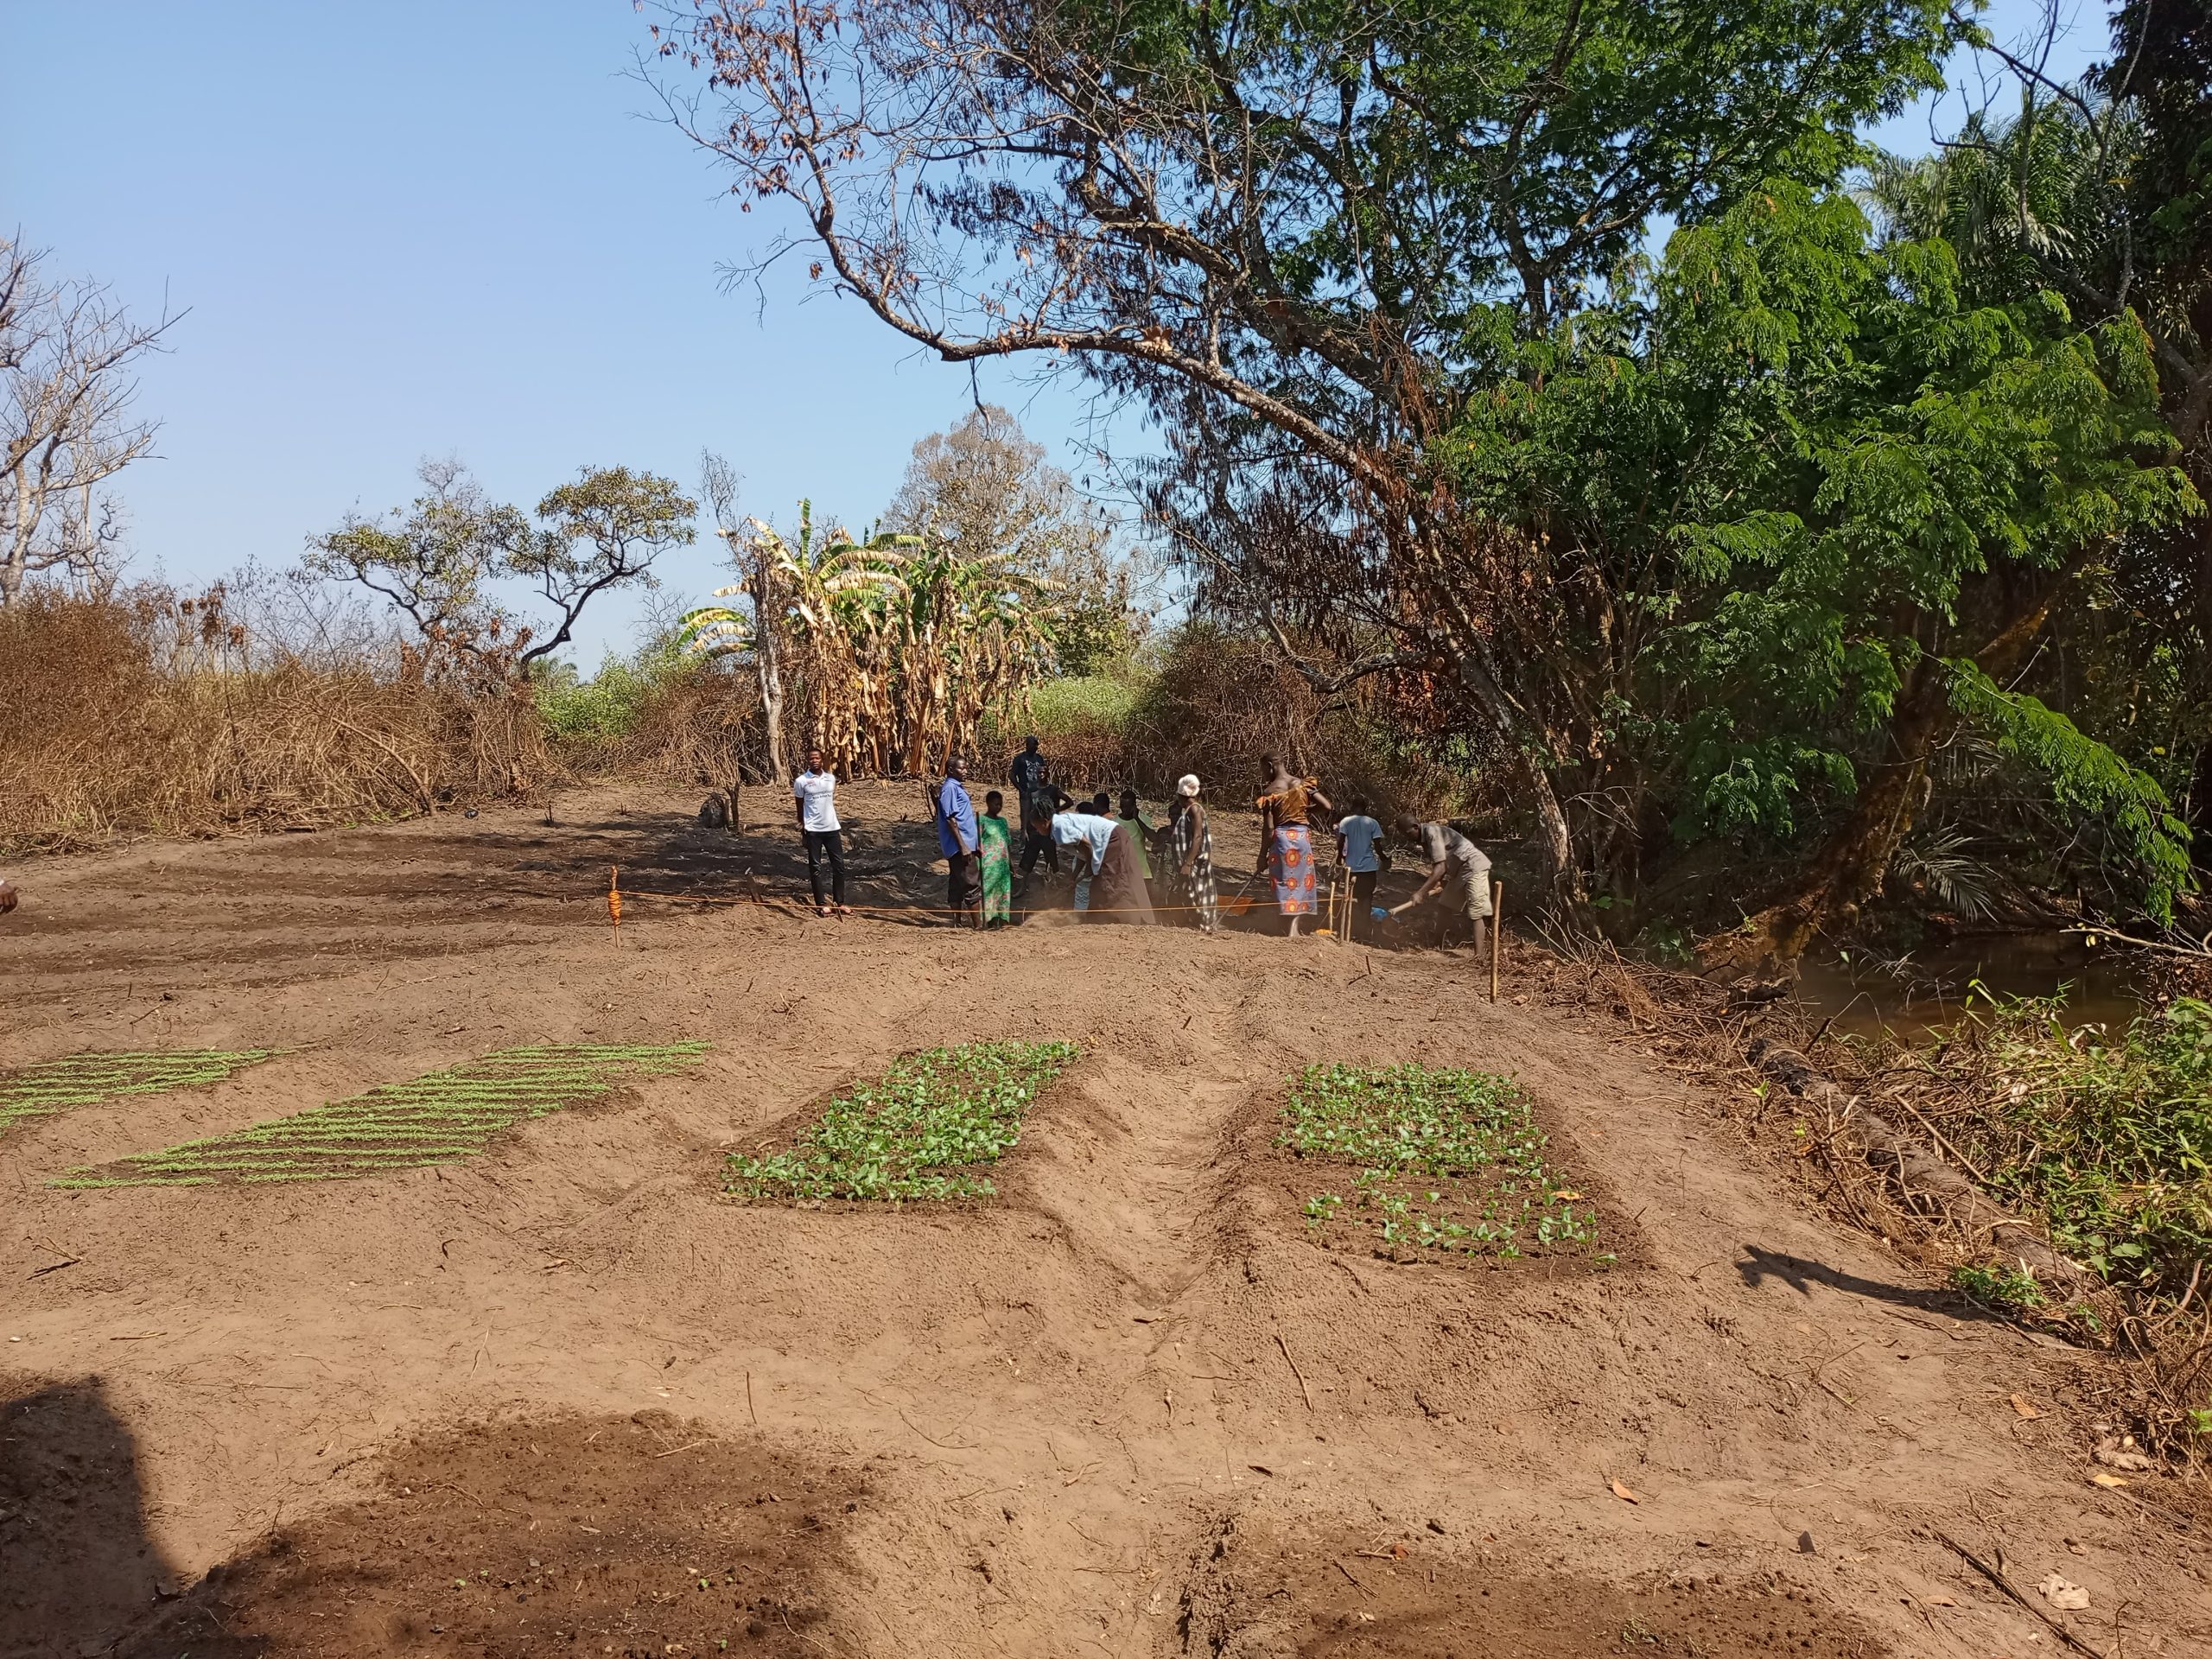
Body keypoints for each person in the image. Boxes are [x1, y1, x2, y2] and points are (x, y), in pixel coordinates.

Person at [1255, 753, 1333, 938]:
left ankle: (1286, 929)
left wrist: (1262, 855)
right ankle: (1294, 929)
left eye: (1263, 770)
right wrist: (1307, 811)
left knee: (1283, 883)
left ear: (1270, 766)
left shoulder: (1270, 791)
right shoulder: (1302, 784)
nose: (1264, 774)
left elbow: (1269, 828)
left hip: (1282, 839)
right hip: (1302, 837)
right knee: (1300, 883)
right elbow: (1327, 806)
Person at [1391, 813, 1492, 953]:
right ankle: (1436, 947)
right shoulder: (1424, 838)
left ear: (1416, 827)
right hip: (1458, 872)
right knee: (1444, 906)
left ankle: (1479, 956)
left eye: (1407, 834)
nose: (1407, 838)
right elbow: (1440, 863)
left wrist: (1420, 893)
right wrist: (1439, 881)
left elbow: (1440, 868)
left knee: (1476, 913)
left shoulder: (1432, 833)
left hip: (1474, 867)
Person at [791, 747, 849, 917]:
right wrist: (803, 827)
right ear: (808, 761)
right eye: (811, 758)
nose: (814, 761)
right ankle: (821, 904)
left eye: (817, 758)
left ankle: (840, 902)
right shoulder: (801, 781)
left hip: (832, 828)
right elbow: (799, 806)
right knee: (816, 867)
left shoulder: (830, 779)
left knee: (839, 866)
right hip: (813, 830)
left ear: (822, 760)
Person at [934, 756, 982, 929]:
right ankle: (978, 925)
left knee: (956, 883)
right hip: (960, 846)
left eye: (966, 768)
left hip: (966, 843)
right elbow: (951, 819)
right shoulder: (950, 789)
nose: (966, 771)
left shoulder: (956, 787)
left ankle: (957, 923)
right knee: (971, 883)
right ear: (951, 770)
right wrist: (963, 846)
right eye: (962, 768)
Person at [1166, 774, 1217, 933]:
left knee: (1199, 893)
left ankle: (1205, 925)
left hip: (1196, 862)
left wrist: (1188, 863)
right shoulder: (1190, 810)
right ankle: (1196, 924)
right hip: (1191, 861)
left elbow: (1197, 837)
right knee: (1190, 892)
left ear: (1182, 795)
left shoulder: (1195, 810)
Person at [1051, 793, 1118, 913]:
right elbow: (1083, 856)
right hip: (1095, 871)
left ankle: (1082, 919)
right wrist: (1074, 877)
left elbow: (1086, 855)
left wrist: (1079, 875)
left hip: (1094, 871)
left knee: (1084, 899)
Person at [1009, 734, 1058, 878]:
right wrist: (1021, 789)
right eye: (1033, 744)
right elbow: (1012, 775)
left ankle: (1040, 843)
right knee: (1026, 816)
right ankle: (1025, 843)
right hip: (1026, 793)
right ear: (1027, 745)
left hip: (1039, 793)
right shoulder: (1020, 759)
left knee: (1040, 817)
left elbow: (1044, 771)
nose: (1035, 747)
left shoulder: (1039, 758)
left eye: (1036, 744)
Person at [1335, 796, 1385, 916]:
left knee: (1355, 895)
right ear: (1365, 808)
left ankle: (1357, 921)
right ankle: (1365, 922)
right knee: (1367, 896)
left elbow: (1341, 841)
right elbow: (1378, 845)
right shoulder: (1372, 823)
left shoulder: (1346, 822)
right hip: (1368, 867)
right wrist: (1383, 858)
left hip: (1351, 866)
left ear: (1352, 807)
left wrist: (1340, 856)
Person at [978, 789, 1014, 927]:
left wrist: (1011, 864)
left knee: (1003, 893)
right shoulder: (981, 820)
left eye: (1000, 804)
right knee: (990, 893)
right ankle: (991, 922)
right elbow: (977, 843)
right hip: (988, 865)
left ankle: (1004, 922)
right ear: (988, 803)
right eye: (996, 804)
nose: (998, 807)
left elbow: (1007, 843)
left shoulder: (1003, 821)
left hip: (1002, 865)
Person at [1115, 789, 1155, 887]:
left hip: (1142, 872)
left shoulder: (1144, 819)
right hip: (1122, 872)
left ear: (1134, 805)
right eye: (1122, 806)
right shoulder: (1115, 822)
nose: (1124, 810)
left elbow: (1153, 838)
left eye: (1127, 807)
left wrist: (1137, 818)